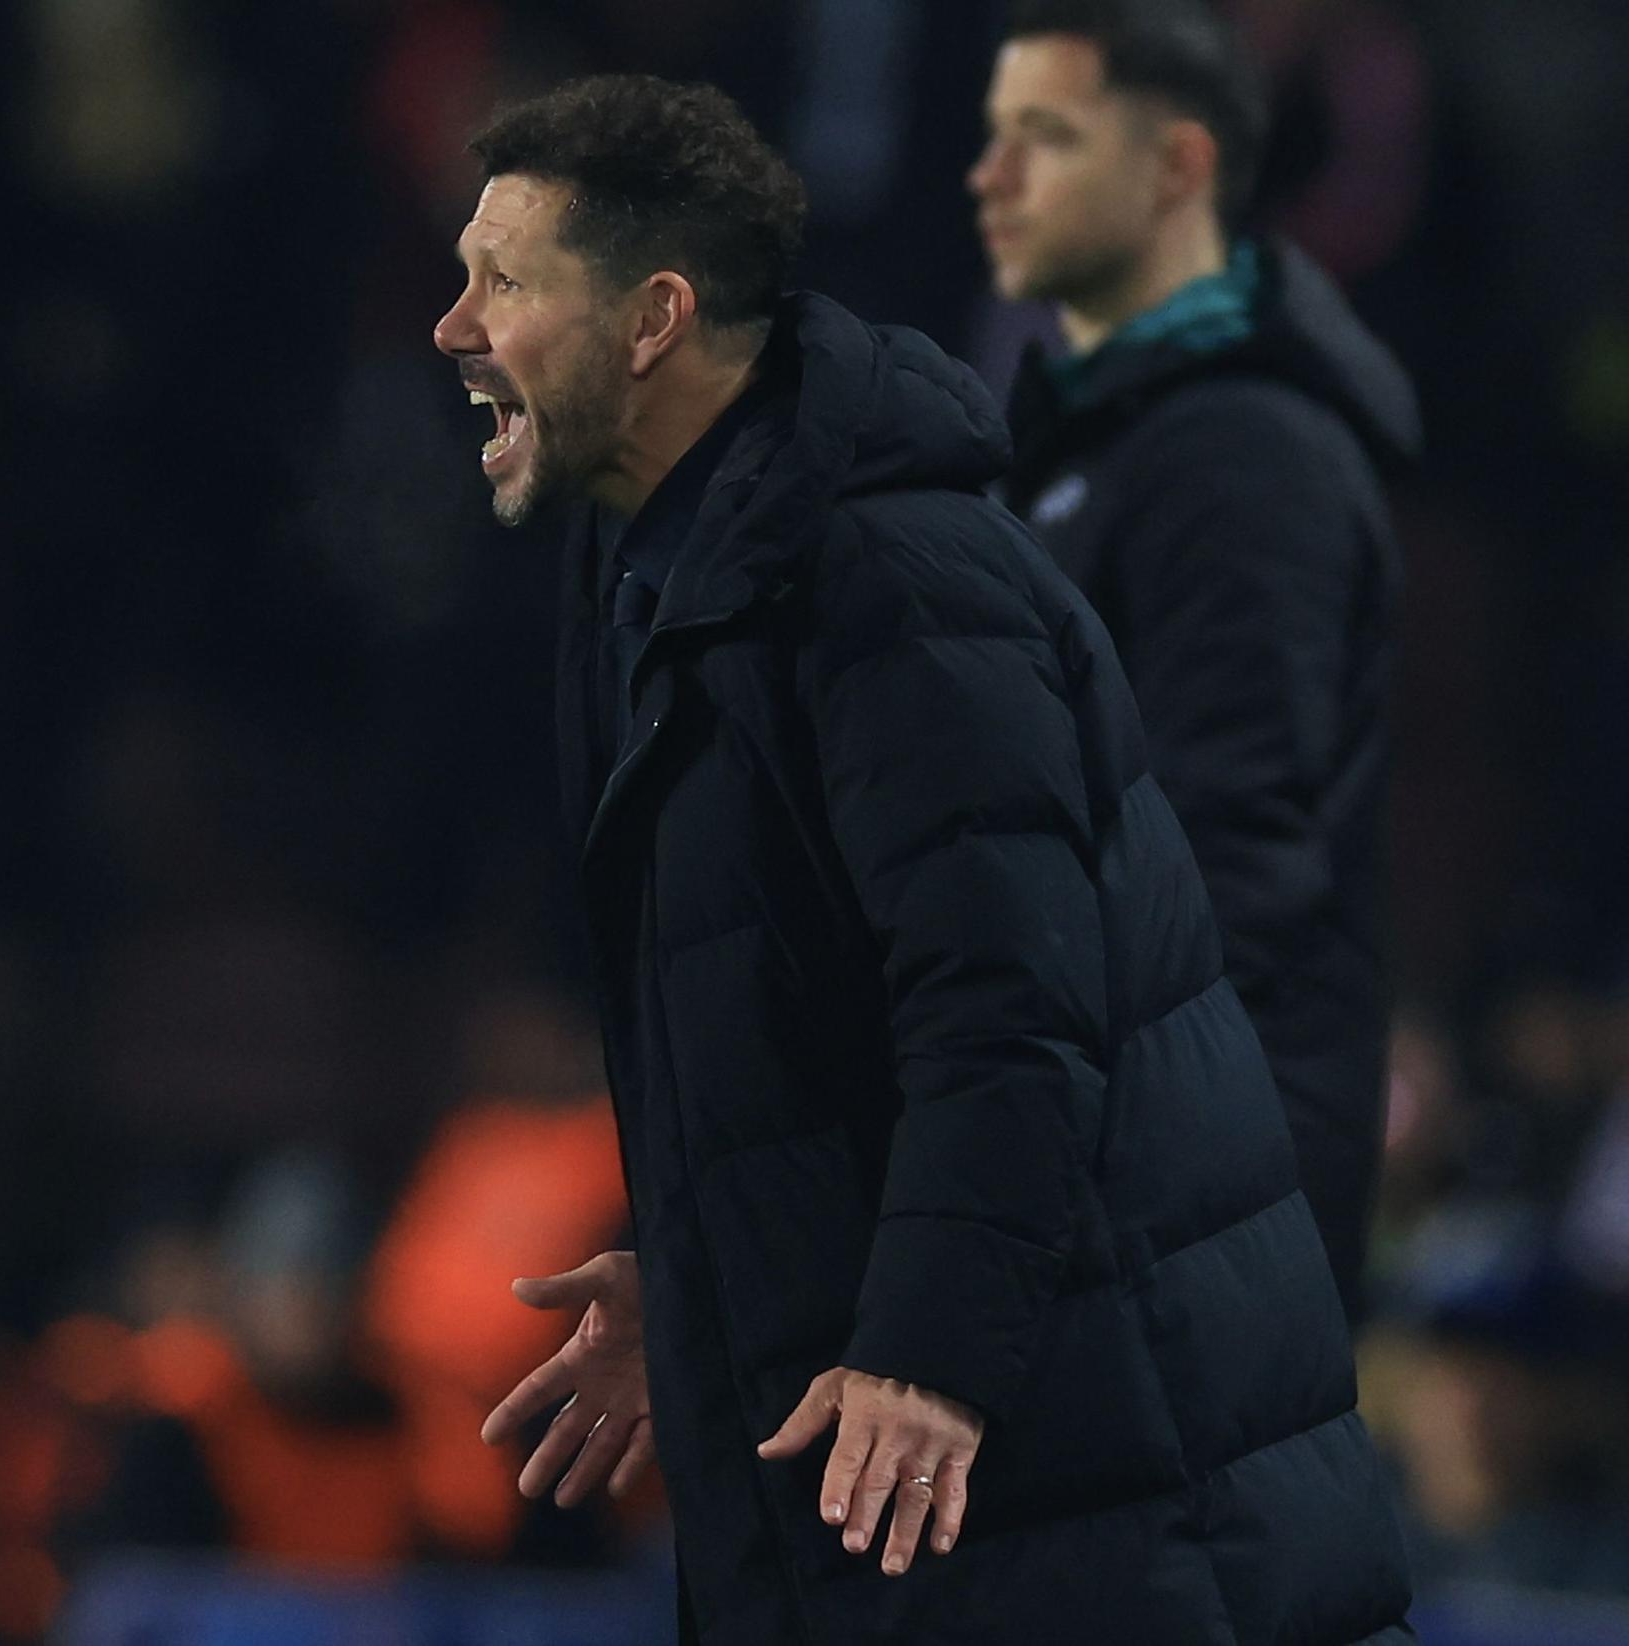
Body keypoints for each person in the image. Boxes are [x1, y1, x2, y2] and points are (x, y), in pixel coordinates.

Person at [435, 73, 1411, 1645]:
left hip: (1106, 1502)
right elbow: (824, 1035)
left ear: (653, 319)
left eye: (505, 282)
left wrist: (931, 1351)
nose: (453, 328)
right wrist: (702, 1295)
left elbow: (1012, 1016)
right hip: (951, 1495)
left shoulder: (889, 577)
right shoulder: (657, 565)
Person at [970, 0, 1421, 1320]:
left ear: (1177, 169)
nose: (991, 177)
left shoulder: (1239, 454)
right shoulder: (1097, 442)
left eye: (1045, 139)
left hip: (1169, 1230)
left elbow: (1226, 878)